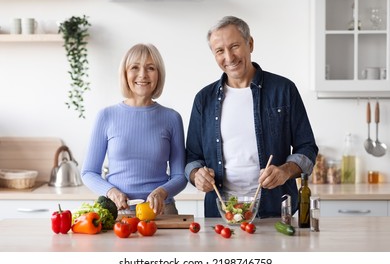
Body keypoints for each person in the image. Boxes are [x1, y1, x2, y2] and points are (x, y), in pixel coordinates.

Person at [185, 16, 318, 218]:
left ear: (250, 44)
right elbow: (192, 158)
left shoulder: (284, 90)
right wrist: (196, 175)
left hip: (275, 211)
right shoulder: (204, 99)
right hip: (221, 213)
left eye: (235, 46)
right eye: (220, 51)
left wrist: (285, 171)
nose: (229, 57)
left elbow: (307, 148)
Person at [82, 43, 187, 215]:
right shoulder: (106, 116)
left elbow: (180, 176)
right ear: (125, 73)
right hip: (118, 212)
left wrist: (162, 192)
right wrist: (111, 192)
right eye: (134, 67)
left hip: (160, 212)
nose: (142, 75)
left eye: (150, 68)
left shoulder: (172, 118)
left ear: (159, 75)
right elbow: (88, 172)